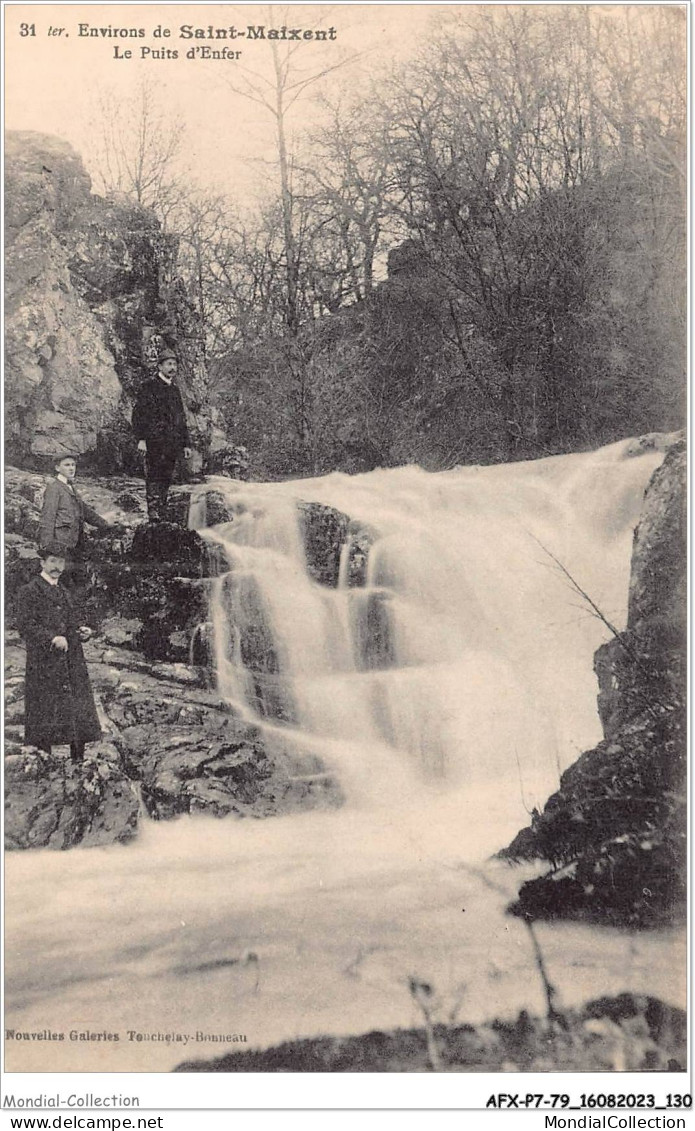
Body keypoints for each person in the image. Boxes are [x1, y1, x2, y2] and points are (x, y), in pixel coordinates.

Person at [15, 545, 102, 760]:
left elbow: (70, 622)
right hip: (44, 661)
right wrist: (51, 638)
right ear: (42, 563)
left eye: (61, 562)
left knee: (75, 708)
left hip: (71, 659)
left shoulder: (64, 591)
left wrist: (81, 631)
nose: (57, 567)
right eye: (53, 561)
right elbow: (26, 626)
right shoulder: (29, 591)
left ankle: (78, 760)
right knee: (44, 709)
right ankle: (44, 761)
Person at [132, 348, 192, 522]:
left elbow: (181, 419)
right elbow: (139, 415)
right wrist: (141, 439)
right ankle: (153, 510)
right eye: (168, 364)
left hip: (172, 442)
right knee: (154, 473)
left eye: (174, 364)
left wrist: (186, 444)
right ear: (160, 366)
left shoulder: (175, 390)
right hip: (154, 440)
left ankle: (162, 508)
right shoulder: (148, 387)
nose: (172, 367)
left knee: (167, 475)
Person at [39, 454, 114, 583]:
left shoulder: (71, 488)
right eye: (67, 465)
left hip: (76, 544)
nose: (71, 468)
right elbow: (47, 517)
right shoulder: (54, 488)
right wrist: (47, 546)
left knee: (78, 580)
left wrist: (105, 524)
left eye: (73, 465)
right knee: (63, 579)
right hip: (61, 544)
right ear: (57, 468)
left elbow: (85, 511)